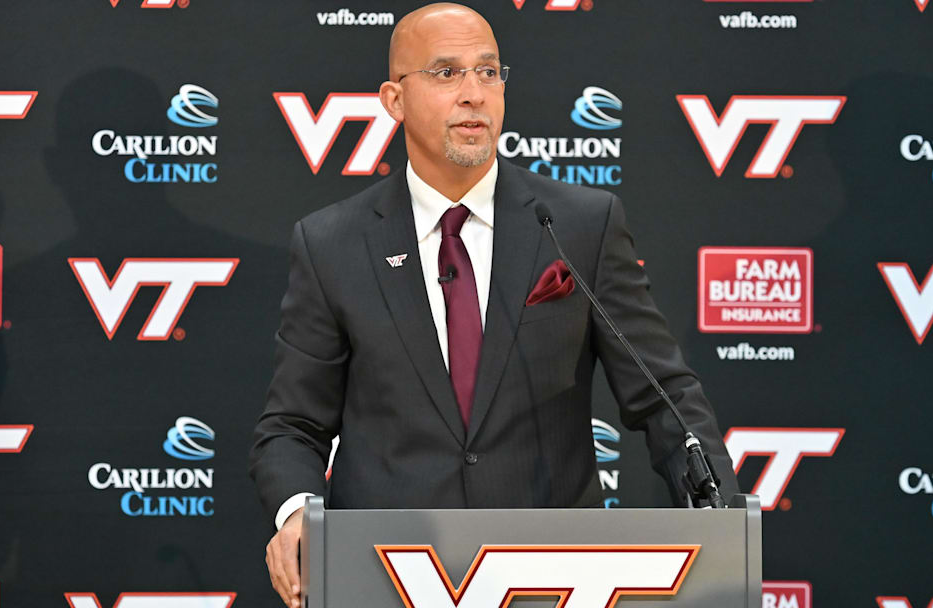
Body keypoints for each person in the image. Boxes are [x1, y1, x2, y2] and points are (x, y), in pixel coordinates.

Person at [249, 4, 738, 607]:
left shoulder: (578, 226)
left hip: (550, 578)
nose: (474, 94)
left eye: (488, 72)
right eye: (446, 74)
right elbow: (292, 426)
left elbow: (664, 395)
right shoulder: (331, 244)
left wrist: (718, 520)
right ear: (393, 101)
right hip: (387, 576)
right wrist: (298, 515)